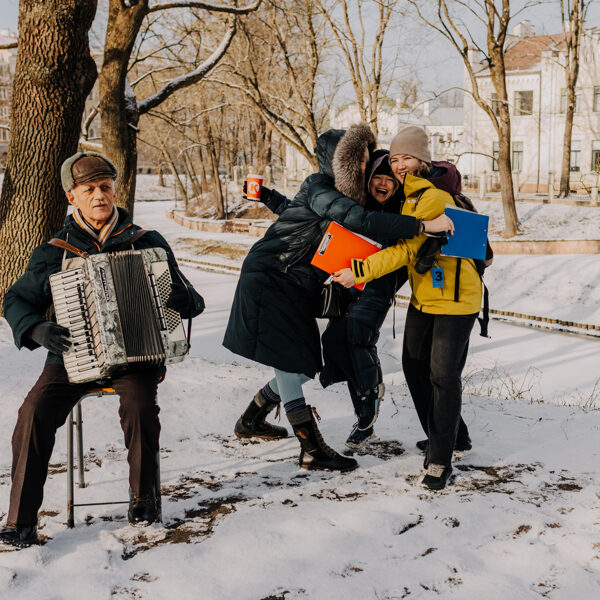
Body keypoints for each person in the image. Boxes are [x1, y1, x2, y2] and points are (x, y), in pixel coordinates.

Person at [0, 152, 205, 548]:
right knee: (32, 412)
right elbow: (14, 300)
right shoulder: (54, 251)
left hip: (135, 359)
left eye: (105, 187)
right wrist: (36, 328)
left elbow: (191, 299)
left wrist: (179, 298)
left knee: (141, 406)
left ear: (115, 190)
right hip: (72, 356)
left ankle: (143, 502)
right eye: (89, 189)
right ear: (71, 197)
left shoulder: (147, 242)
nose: (99, 196)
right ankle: (20, 522)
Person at [223, 123, 454, 473]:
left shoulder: (335, 196)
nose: (365, 168)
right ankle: (311, 448)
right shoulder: (321, 187)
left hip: (293, 283)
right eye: (360, 161)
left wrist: (266, 195)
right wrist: (421, 227)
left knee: (302, 365)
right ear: (339, 161)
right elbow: (355, 218)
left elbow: (294, 212)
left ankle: (251, 419)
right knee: (291, 362)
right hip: (273, 276)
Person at [333, 125, 482, 490]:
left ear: (423, 161)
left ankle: (441, 460)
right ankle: (453, 438)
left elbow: (405, 251)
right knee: (414, 369)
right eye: (395, 158)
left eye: (407, 158)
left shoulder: (431, 197)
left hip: (455, 301)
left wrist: (359, 272)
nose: (399, 165)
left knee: (442, 377)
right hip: (425, 298)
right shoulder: (411, 196)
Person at [319, 149, 409, 449]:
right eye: (377, 178)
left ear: (397, 185)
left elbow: (405, 256)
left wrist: (389, 285)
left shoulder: (402, 212)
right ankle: (365, 402)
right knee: (334, 342)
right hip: (347, 286)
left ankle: (367, 409)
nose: (383, 184)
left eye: (389, 179)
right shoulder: (357, 207)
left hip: (377, 289)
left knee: (358, 339)